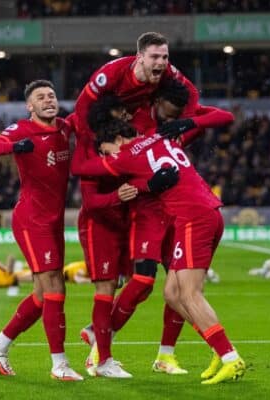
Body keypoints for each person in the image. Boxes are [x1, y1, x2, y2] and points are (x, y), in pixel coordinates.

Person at [71, 118, 245, 385]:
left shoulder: (127, 155)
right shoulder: (159, 137)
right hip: (204, 212)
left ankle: (230, 358)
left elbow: (82, 168)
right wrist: (188, 123)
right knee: (172, 294)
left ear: (118, 140)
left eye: (107, 150)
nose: (108, 156)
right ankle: (217, 349)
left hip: (192, 218)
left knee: (189, 293)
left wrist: (80, 137)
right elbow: (215, 119)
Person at [0, 80, 83, 381]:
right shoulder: (22, 129)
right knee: (55, 287)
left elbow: (87, 112)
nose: (48, 100)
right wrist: (15, 147)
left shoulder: (65, 127)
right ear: (30, 106)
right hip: (31, 219)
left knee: (42, 294)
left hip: (53, 221)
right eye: (41, 97)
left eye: (51, 95)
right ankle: (59, 364)